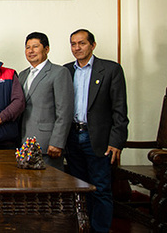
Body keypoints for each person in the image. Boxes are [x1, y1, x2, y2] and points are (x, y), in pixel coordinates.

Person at [64, 29, 129, 233]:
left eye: (82, 43)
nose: (77, 48)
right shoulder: (66, 71)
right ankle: (83, 227)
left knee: (100, 188)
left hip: (99, 139)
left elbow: (120, 110)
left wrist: (116, 141)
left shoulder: (110, 70)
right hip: (72, 137)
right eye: (73, 44)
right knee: (79, 188)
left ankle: (100, 229)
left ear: (93, 45)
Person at [18, 32, 73, 170]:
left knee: (50, 186)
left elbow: (64, 111)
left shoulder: (59, 72)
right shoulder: (22, 75)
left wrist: (57, 142)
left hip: (48, 145)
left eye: (35, 46)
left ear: (47, 49)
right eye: (28, 47)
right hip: (24, 143)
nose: (31, 51)